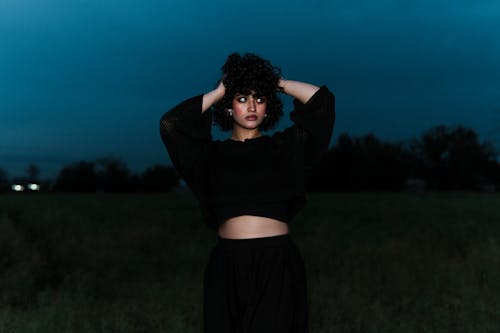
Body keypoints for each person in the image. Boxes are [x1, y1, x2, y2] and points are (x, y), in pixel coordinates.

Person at [159, 52, 335, 333]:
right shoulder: (210, 156)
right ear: (229, 107)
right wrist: (221, 91)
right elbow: (171, 124)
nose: (252, 105)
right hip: (226, 264)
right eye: (242, 98)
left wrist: (274, 82)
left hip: (276, 264)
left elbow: (322, 103)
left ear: (268, 107)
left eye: (259, 98)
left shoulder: (285, 148)